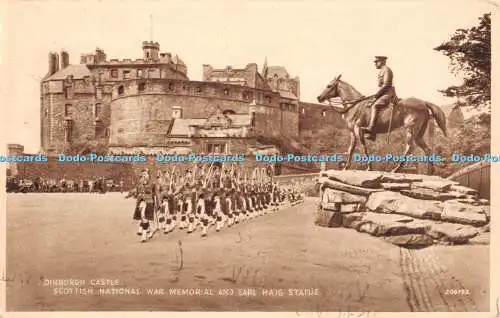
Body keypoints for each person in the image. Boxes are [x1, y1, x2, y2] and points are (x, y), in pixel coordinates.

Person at [361, 56, 397, 141]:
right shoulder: (382, 71)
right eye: (375, 62)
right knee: (368, 104)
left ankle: (371, 128)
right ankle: (372, 134)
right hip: (383, 94)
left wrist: (376, 96)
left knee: (375, 106)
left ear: (383, 61)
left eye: (377, 62)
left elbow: (386, 85)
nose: (375, 64)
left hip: (388, 94)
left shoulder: (387, 70)